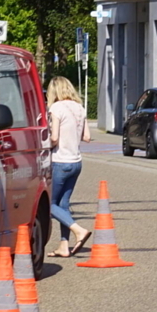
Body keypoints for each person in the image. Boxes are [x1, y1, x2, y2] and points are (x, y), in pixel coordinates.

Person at [46, 77, 92, 258]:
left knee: (49, 204)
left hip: (60, 160)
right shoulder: (79, 108)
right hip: (76, 162)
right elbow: (87, 136)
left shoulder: (56, 108)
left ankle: (78, 230)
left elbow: (54, 137)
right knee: (63, 205)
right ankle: (63, 246)